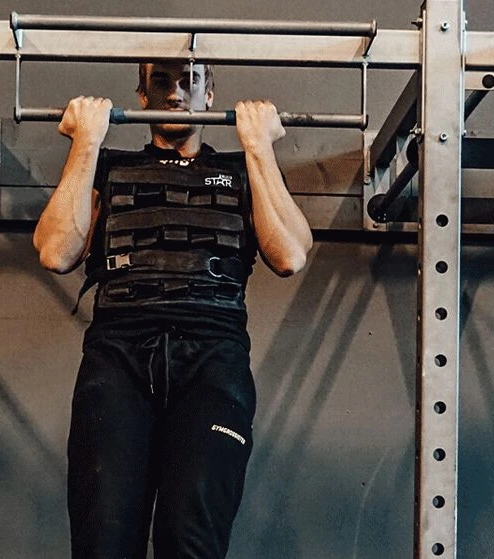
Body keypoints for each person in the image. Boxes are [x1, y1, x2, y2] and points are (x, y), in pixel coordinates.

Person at [33, 61, 313, 558]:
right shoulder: (108, 167)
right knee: (103, 543)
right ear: (141, 94)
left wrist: (258, 146)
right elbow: (56, 252)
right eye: (160, 81)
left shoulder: (242, 171)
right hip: (118, 357)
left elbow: (290, 255)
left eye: (190, 80)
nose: (176, 93)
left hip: (212, 361)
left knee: (189, 543)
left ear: (210, 93)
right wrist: (86, 143)